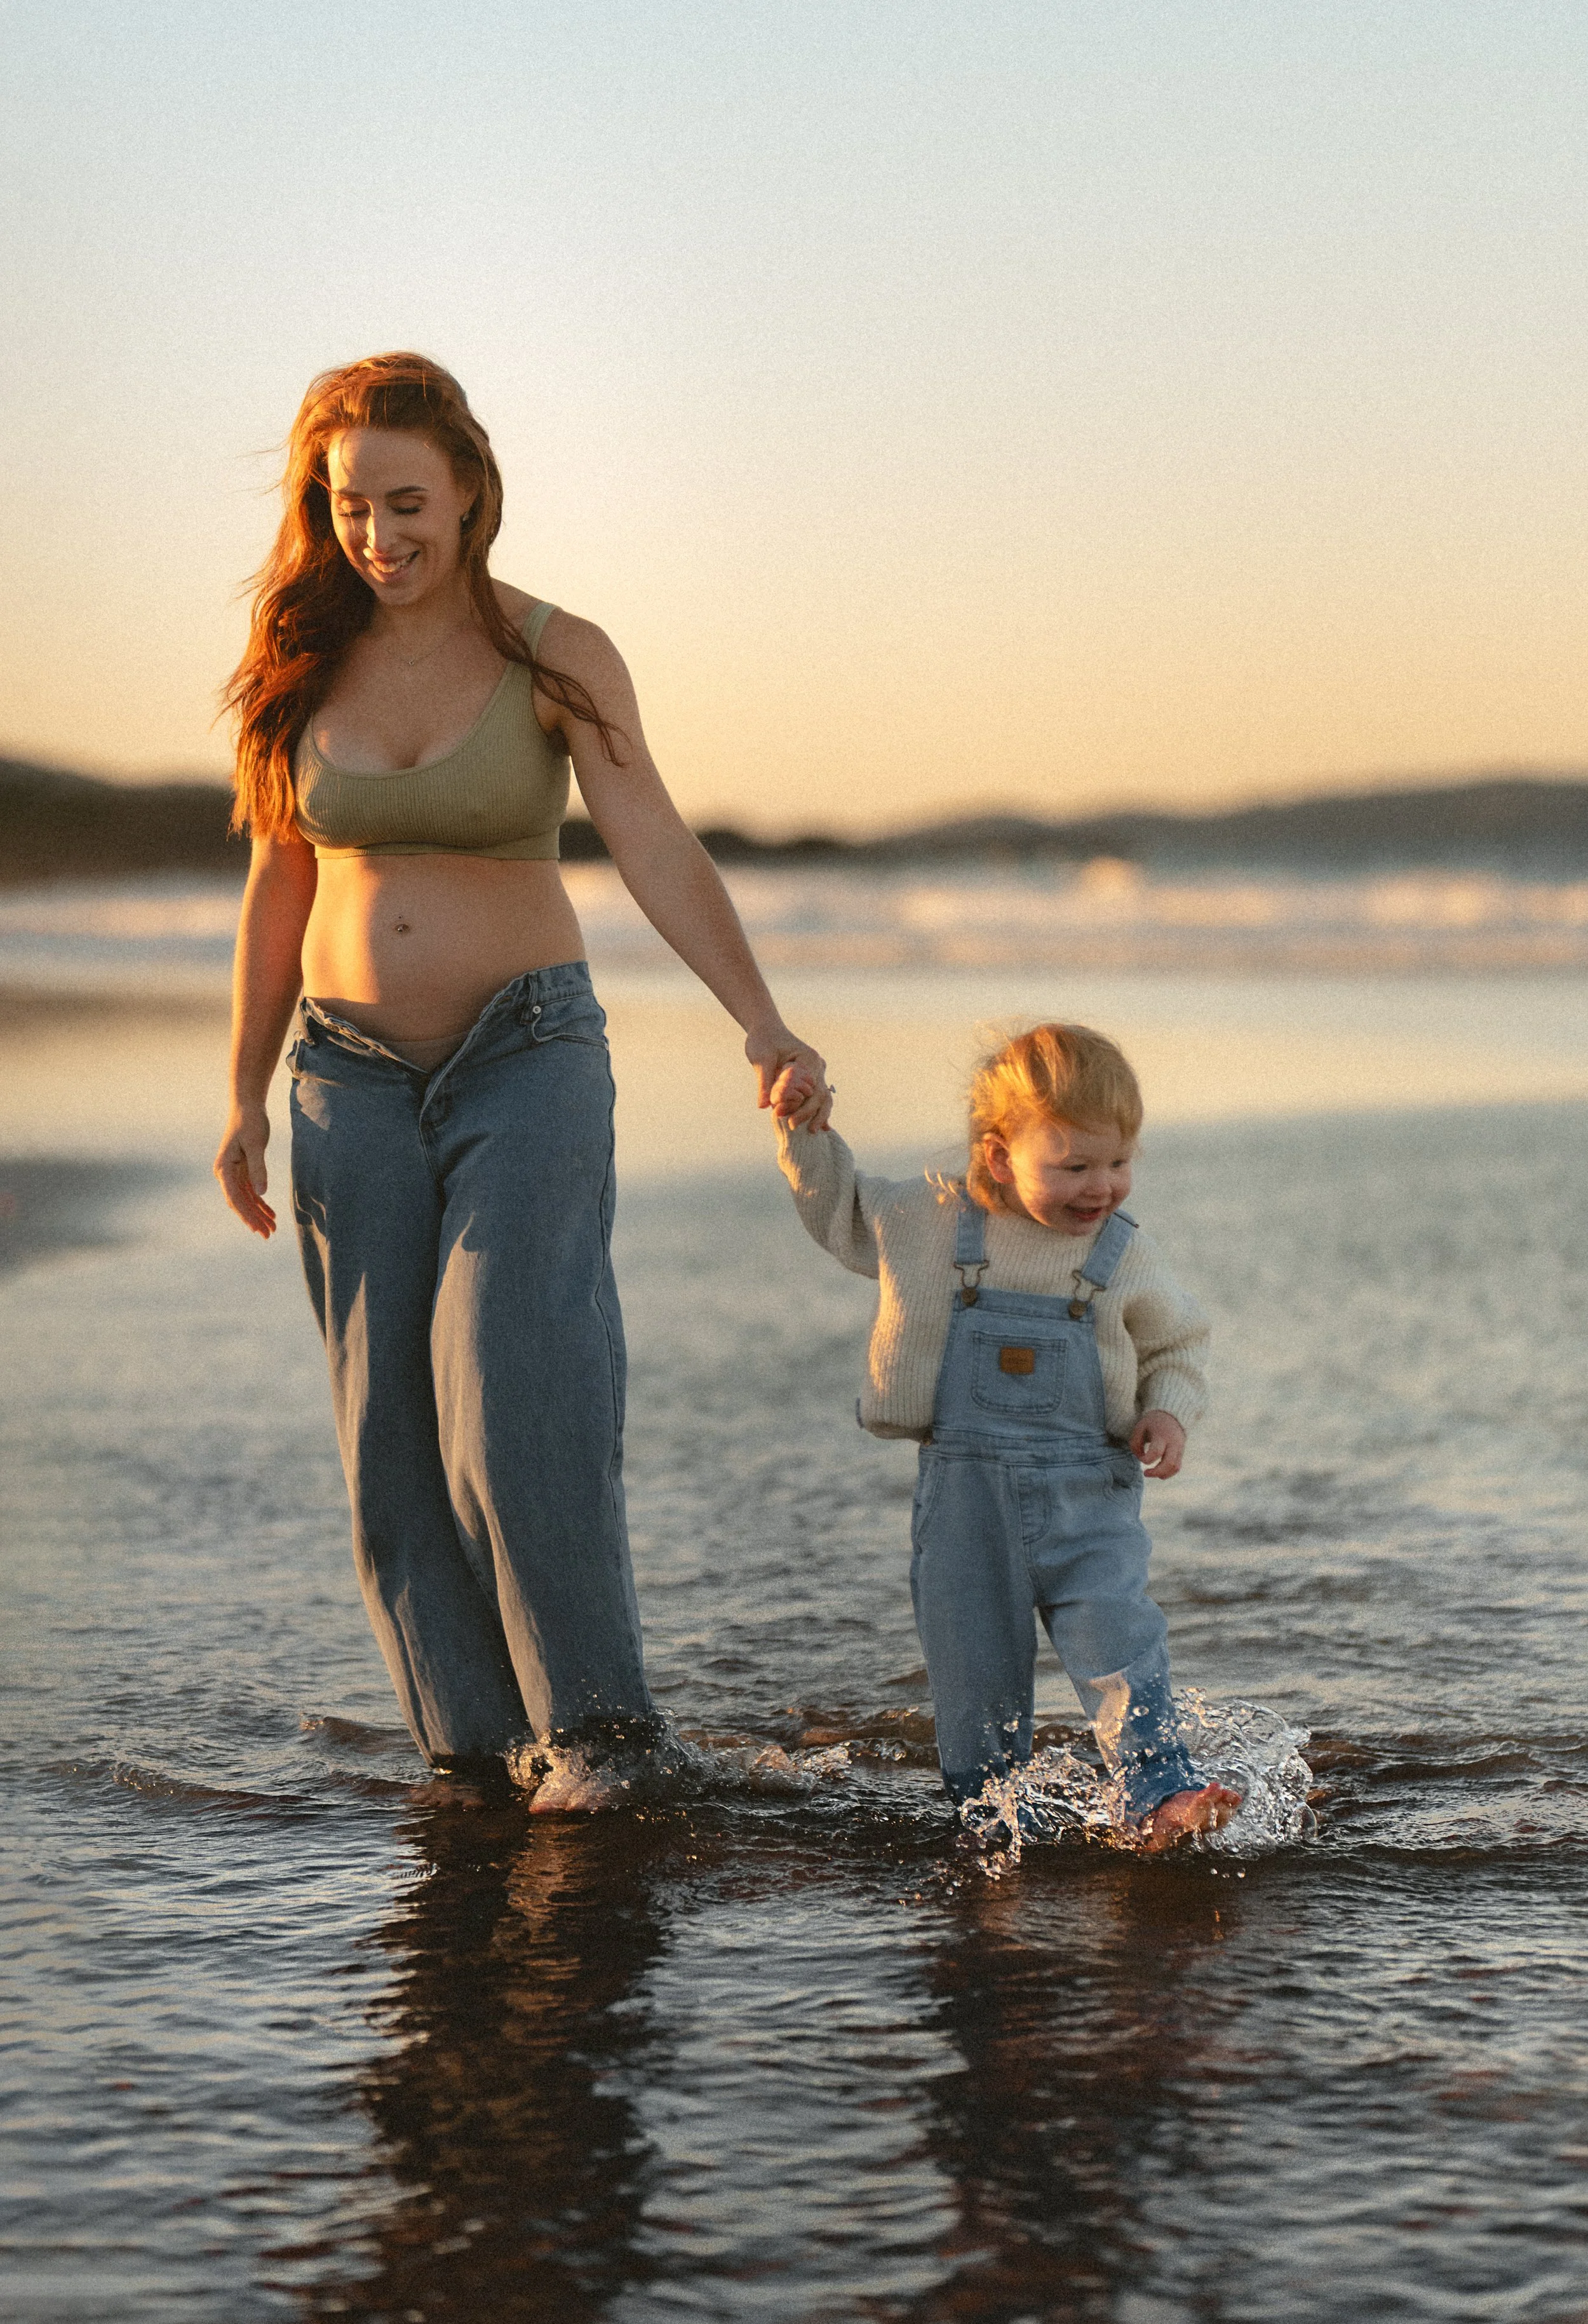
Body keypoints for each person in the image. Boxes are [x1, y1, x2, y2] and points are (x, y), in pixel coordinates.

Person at [214, 351, 831, 1807]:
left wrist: (763, 1021)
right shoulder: (296, 659)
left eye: (406, 501)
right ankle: (477, 1753)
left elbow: (656, 841)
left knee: (515, 1380)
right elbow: (273, 883)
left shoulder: (561, 654)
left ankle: (604, 1738)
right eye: (350, 504)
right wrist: (242, 1094)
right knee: (387, 1428)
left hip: (527, 1050)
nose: (378, 535)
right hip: (342, 1074)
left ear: (474, 493)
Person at [776, 1022, 1241, 1851]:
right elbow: (839, 1208)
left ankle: (1159, 1790)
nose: (1103, 1187)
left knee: (1121, 1641)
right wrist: (804, 1128)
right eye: (1075, 1166)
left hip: (1087, 1497)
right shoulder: (929, 1219)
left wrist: (1166, 1409)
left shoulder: (1121, 1253)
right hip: (964, 1503)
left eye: (1119, 1161)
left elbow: (1177, 1342)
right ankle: (989, 1817)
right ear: (998, 1157)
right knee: (973, 1680)